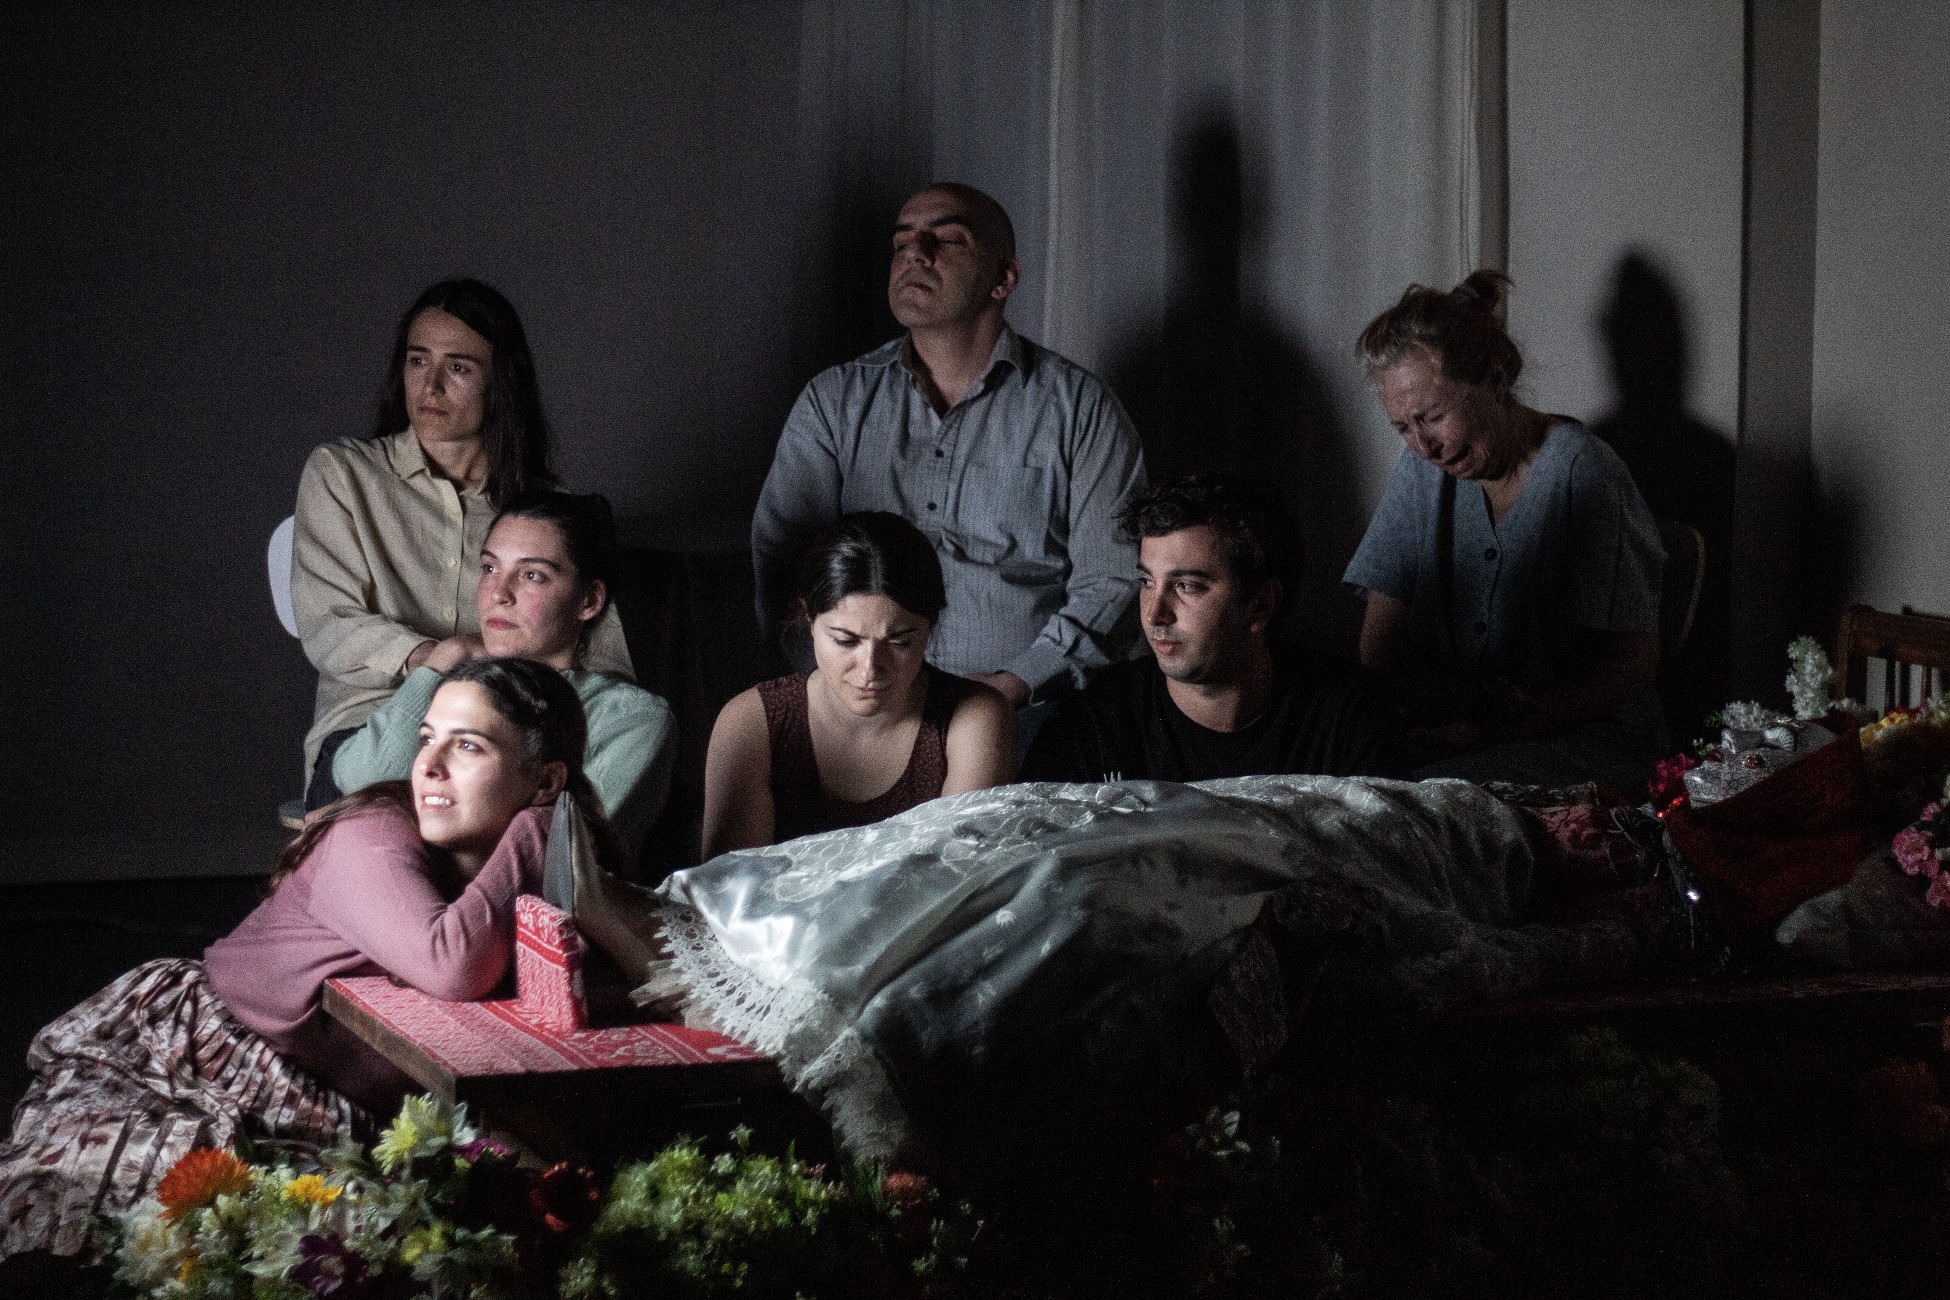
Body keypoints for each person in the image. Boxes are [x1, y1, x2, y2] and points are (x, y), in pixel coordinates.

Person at [0, 659, 611, 1263]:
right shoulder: (370, 834)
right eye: (427, 738)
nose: (428, 764)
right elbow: (450, 964)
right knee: (143, 1233)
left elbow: (627, 959)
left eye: (468, 745)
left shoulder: (538, 863)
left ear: (545, 779)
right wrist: (536, 828)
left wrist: (579, 866)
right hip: (209, 1062)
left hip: (347, 1108)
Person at [750, 182, 1146, 726]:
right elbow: (782, 559)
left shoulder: (1079, 407)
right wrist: (834, 683)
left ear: (1004, 278)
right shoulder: (834, 400)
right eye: (902, 242)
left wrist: (1015, 686)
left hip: (1029, 712)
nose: (915, 252)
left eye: (948, 238)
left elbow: (1114, 580)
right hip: (856, 709)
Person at [293, 278, 632, 806]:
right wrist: (442, 658)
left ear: (500, 383)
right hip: (370, 728)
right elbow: (329, 622)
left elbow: (604, 658)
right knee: (389, 834)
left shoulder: (546, 510)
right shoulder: (343, 474)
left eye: (458, 368)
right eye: (417, 361)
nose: (429, 386)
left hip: (505, 738)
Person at [1342, 270, 1667, 793]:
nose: (1423, 445)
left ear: (1494, 381)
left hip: (1579, 738)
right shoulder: (1422, 469)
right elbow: (1378, 646)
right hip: (1463, 733)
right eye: (1402, 427)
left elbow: (1631, 668)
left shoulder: (1583, 472)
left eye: (1434, 417)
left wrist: (1512, 722)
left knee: (1429, 797)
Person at [321, 491, 675, 871]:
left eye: (532, 575)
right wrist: (441, 661)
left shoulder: (632, 717)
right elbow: (362, 783)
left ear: (588, 601)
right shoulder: (454, 691)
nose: (498, 593)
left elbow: (561, 855)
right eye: (490, 568)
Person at [1023, 476, 1407, 784]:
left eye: (1187, 586)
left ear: (1261, 604)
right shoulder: (1095, 721)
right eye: (1147, 582)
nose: (1155, 615)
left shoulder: (1348, 716)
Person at [703, 512, 1015, 856]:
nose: (869, 669)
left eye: (899, 642)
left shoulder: (972, 718)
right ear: (810, 619)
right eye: (846, 641)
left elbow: (962, 873)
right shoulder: (753, 722)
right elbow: (731, 881)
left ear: (929, 627)